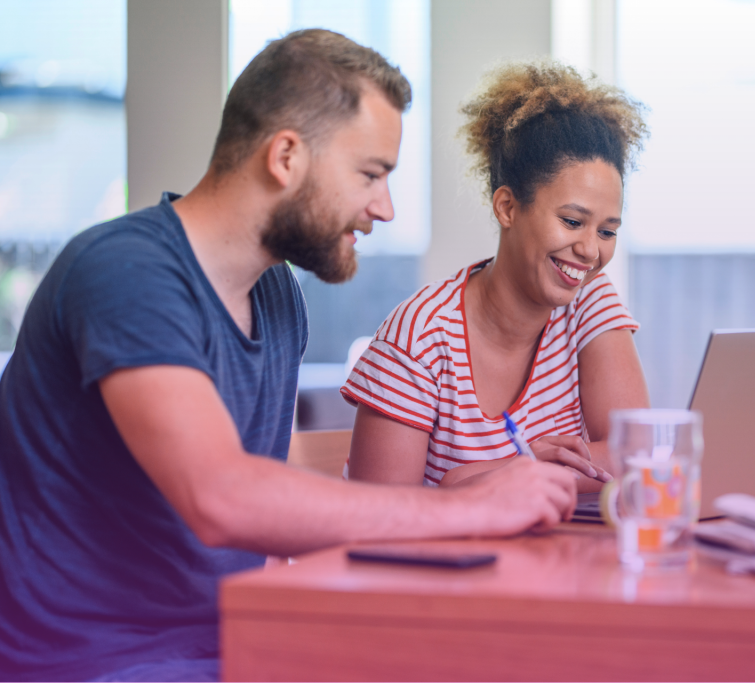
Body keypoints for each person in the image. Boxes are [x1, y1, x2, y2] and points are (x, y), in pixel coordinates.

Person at [0, 31, 576, 682]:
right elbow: (223, 497)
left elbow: (280, 496)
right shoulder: (126, 272)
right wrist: (466, 511)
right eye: (370, 174)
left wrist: (465, 482)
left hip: (237, 639)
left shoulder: (275, 294)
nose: (383, 207)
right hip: (99, 663)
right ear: (285, 156)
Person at [343, 62, 650, 492]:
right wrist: (518, 472)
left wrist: (478, 477)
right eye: (571, 221)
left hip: (560, 556)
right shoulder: (418, 339)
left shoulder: (589, 301)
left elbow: (638, 455)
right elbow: (375, 519)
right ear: (507, 207)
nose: (590, 250)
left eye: (607, 231)